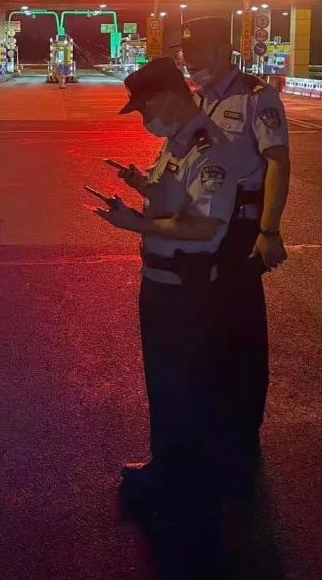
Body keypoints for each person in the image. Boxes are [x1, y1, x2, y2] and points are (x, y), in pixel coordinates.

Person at [93, 57, 241, 509]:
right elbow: (174, 199)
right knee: (165, 381)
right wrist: (141, 184)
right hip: (163, 285)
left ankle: (180, 484)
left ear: (170, 97)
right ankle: (171, 469)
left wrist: (134, 225)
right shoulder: (179, 145)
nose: (143, 118)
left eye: (144, 108)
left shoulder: (210, 148)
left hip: (186, 290)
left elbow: (203, 227)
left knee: (180, 384)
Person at [178, 16, 291, 466]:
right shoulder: (200, 99)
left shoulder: (256, 96)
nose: (192, 62)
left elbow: (278, 163)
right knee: (204, 327)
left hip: (241, 229)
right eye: (186, 54)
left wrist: (269, 231)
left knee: (241, 333)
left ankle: (243, 434)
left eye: (200, 53)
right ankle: (211, 420)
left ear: (224, 51)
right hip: (204, 226)